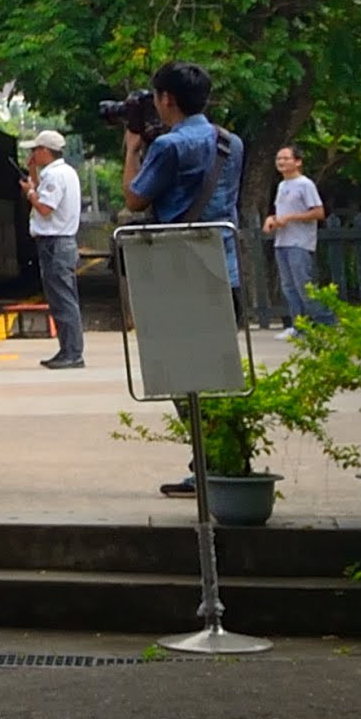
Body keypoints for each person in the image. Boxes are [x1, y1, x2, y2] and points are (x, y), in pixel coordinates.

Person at [128, 67, 239, 493]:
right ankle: (226, 461)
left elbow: (135, 198)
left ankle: (208, 466)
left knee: (184, 379)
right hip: (224, 267)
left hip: (178, 273)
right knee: (221, 375)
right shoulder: (232, 143)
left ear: (166, 99)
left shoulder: (170, 146)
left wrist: (132, 149)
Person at [21, 130, 88, 366]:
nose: (32, 154)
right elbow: (45, 193)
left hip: (55, 244)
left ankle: (72, 353)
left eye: (35, 150)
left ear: (45, 151)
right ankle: (68, 350)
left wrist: (29, 192)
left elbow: (45, 208)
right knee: (62, 298)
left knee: (62, 299)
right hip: (62, 242)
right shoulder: (64, 172)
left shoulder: (56, 176)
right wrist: (32, 176)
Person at [266, 144, 328, 331]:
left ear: (298, 162)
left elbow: (318, 212)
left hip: (299, 242)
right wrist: (273, 219)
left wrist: (290, 218)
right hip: (282, 241)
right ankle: (299, 326)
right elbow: (283, 212)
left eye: (286, 158)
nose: (281, 162)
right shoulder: (282, 185)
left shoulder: (305, 184)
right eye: (279, 159)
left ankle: (326, 322)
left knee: (303, 286)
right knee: (289, 287)